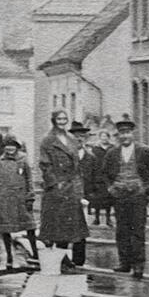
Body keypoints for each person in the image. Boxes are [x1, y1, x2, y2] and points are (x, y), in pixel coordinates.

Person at [101, 116, 149, 279]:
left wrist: (145, 188)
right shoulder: (112, 153)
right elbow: (104, 173)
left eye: (127, 132)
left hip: (137, 196)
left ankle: (138, 265)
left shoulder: (144, 151)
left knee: (138, 231)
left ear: (133, 133)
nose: (125, 136)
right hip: (119, 196)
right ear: (118, 135)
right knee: (122, 230)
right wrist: (111, 188)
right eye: (122, 133)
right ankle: (124, 263)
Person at [38, 110, 89, 271]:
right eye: (59, 119)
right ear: (53, 120)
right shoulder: (47, 141)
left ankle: (66, 259)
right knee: (57, 226)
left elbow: (77, 165)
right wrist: (54, 183)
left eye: (64, 119)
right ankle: (60, 259)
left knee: (71, 226)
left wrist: (77, 186)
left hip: (71, 187)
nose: (62, 122)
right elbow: (45, 165)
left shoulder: (71, 139)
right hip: (57, 189)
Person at [0, 137, 39, 268]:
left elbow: (29, 179)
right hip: (4, 198)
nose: (10, 148)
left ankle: (35, 254)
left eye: (12, 146)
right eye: (7, 146)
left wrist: (30, 196)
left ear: (17, 147)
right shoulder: (0, 162)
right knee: (5, 228)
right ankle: (9, 256)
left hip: (20, 198)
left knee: (30, 226)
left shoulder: (23, 159)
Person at [69, 120, 94, 267]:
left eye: (82, 136)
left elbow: (96, 179)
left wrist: (89, 197)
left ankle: (79, 262)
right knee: (65, 229)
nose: (79, 139)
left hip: (84, 199)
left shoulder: (91, 158)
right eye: (76, 136)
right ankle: (64, 260)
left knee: (81, 231)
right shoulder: (65, 155)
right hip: (68, 197)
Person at [89, 128, 115, 226]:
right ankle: (97, 218)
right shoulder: (95, 149)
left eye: (106, 136)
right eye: (102, 136)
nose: (104, 138)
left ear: (109, 137)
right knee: (97, 199)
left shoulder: (112, 148)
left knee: (108, 199)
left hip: (108, 176)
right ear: (99, 138)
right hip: (98, 176)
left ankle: (108, 219)